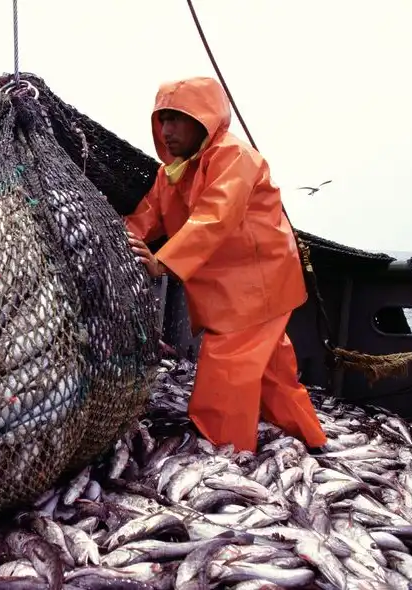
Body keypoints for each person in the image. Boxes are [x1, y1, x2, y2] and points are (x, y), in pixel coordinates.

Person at [125, 77, 328, 454]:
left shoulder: (235, 157)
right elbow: (148, 215)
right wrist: (116, 238)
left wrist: (161, 263)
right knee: (273, 374)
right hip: (232, 292)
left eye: (176, 119)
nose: (166, 131)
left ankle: (223, 453)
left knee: (227, 371)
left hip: (256, 289)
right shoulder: (171, 173)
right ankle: (312, 441)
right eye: (162, 120)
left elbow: (214, 217)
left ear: (203, 120)